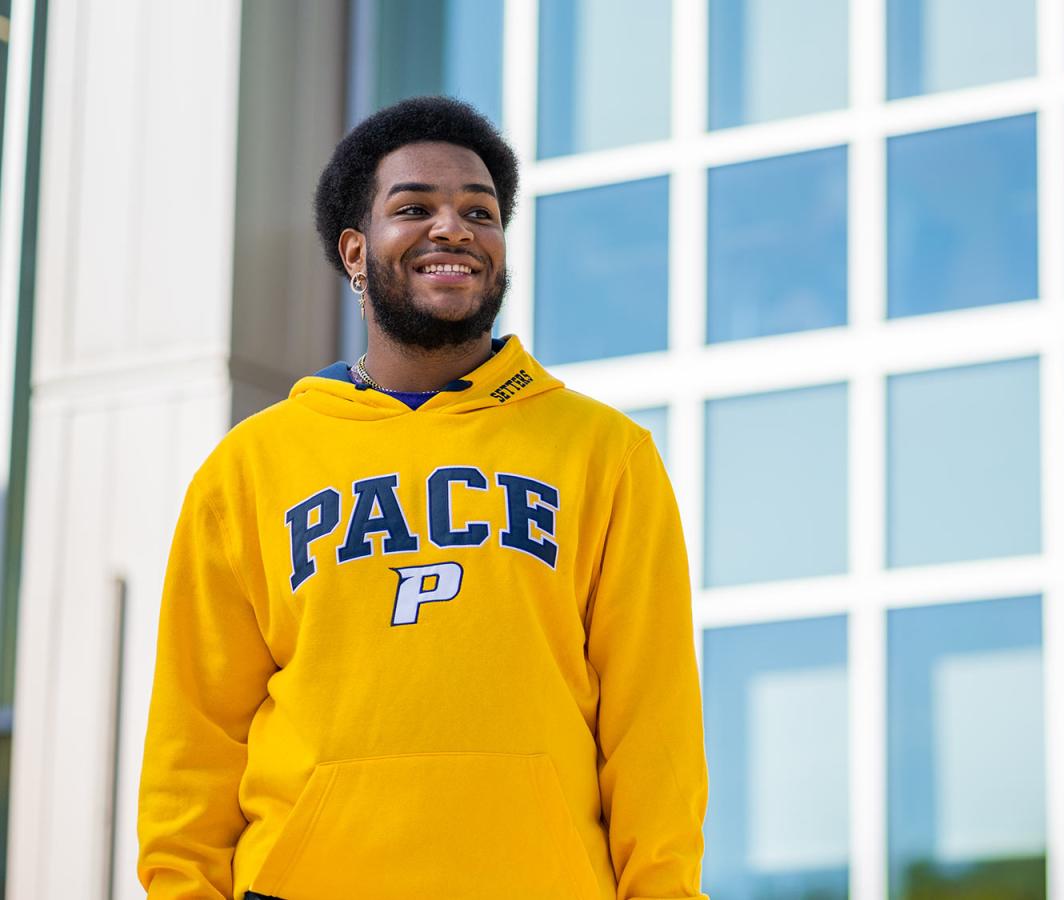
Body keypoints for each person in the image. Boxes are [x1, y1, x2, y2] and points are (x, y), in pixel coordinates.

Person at [135, 95, 708, 900]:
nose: (454, 228)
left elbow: (656, 728)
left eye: (481, 212)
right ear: (355, 250)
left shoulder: (606, 455)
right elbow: (194, 739)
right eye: (415, 208)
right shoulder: (249, 469)